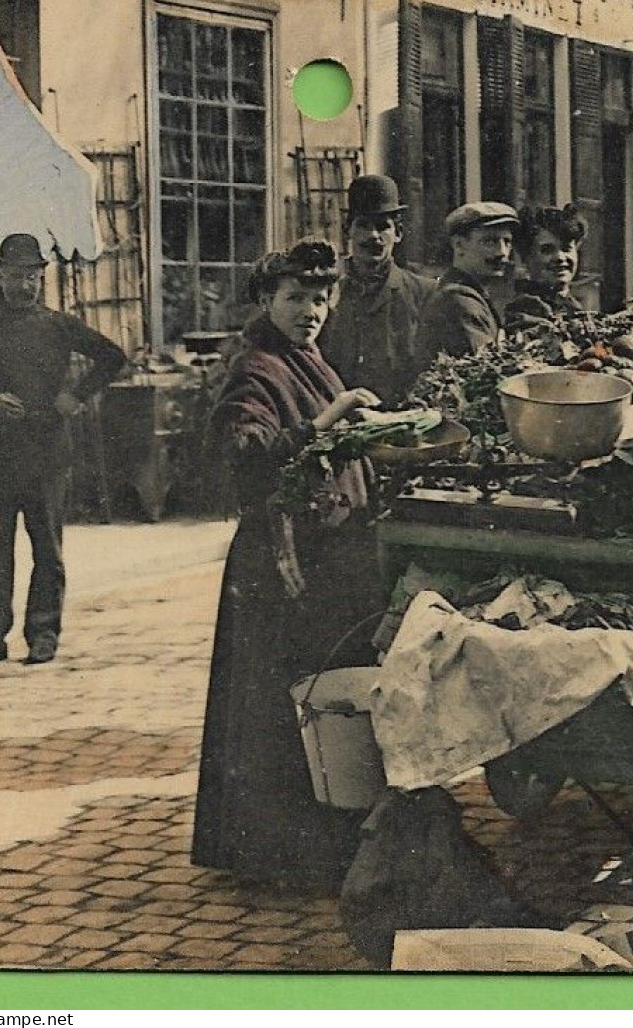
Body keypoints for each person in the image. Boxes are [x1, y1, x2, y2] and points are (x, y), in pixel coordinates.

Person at [191, 238, 386, 892]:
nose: (311, 309)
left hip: (323, 554)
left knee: (312, 686)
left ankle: (311, 839)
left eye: (321, 297)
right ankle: (278, 853)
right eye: (296, 297)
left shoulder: (306, 358)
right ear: (267, 300)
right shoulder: (257, 367)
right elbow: (245, 453)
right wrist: (328, 420)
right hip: (280, 561)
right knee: (279, 697)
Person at [0, 233, 128, 667]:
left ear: (41, 278)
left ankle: (44, 635)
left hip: (47, 452)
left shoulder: (58, 326)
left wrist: (77, 395)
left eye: (31, 276)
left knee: (47, 548)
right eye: (15, 276)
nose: (23, 285)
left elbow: (113, 356)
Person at [315, 174, 438, 406]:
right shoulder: (322, 293)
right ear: (347, 230)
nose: (373, 236)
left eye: (383, 227)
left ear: (398, 233)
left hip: (402, 424)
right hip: (333, 420)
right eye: (363, 225)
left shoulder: (425, 294)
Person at [415, 201, 519, 361]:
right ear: (459, 245)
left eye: (507, 242)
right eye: (489, 241)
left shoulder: (471, 294)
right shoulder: (460, 301)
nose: (502, 252)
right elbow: (486, 372)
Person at [506, 204, 589, 331]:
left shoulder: (575, 307)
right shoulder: (523, 310)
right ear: (525, 258)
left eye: (566, 248)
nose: (560, 257)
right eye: (547, 250)